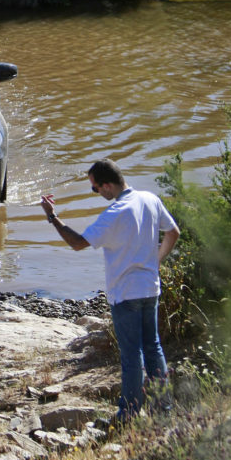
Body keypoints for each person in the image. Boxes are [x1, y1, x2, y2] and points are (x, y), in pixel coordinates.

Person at [40, 158, 180, 423]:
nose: (96, 193)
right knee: (153, 347)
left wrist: (51, 216)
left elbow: (78, 243)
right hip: (150, 287)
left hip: (125, 293)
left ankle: (128, 415)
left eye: (95, 189)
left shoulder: (114, 214)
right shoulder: (149, 199)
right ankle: (164, 408)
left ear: (106, 186)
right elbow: (173, 232)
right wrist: (156, 262)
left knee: (131, 355)